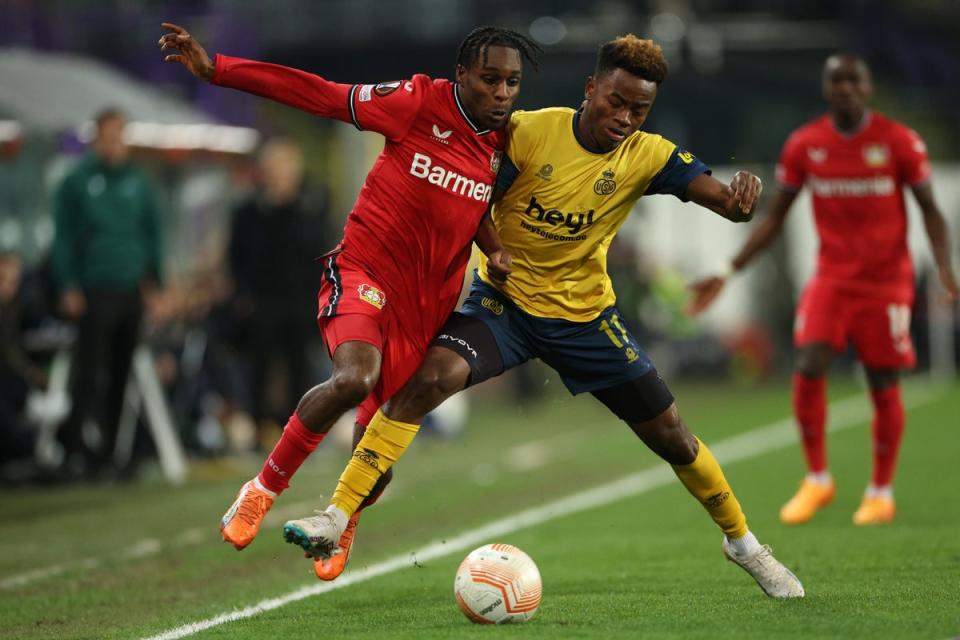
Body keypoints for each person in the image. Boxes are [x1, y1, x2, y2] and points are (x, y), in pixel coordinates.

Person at [291, 35, 805, 599]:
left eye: (639, 109)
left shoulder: (649, 155)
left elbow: (723, 200)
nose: (625, 118)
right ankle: (336, 519)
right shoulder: (530, 132)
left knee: (674, 438)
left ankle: (745, 547)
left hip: (585, 317)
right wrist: (493, 252)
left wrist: (740, 198)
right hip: (503, 305)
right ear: (591, 89)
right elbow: (474, 196)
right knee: (427, 382)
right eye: (616, 102)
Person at [158, 23, 541, 554]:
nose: (500, 93)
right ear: (462, 75)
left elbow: (470, 204)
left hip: (426, 306)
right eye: (489, 79)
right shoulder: (416, 102)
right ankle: (261, 489)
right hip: (366, 271)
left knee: (377, 448)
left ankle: (341, 523)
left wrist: (495, 248)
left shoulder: (504, 141)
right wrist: (218, 69)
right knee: (355, 378)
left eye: (511, 83)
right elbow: (320, 95)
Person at [687, 53, 958, 526]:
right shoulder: (806, 144)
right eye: (838, 81)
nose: (846, 89)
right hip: (831, 277)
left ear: (868, 86)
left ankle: (880, 490)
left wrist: (944, 271)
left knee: (881, 380)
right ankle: (817, 479)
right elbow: (775, 218)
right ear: (827, 88)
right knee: (809, 361)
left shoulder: (899, 142)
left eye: (855, 80)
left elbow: (931, 210)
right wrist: (728, 270)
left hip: (885, 281)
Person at [50, 108, 165, 479]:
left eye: (120, 136)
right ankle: (75, 450)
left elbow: (152, 235)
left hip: (130, 288)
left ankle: (111, 454)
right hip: (94, 288)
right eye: (108, 136)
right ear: (96, 139)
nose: (114, 144)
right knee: (88, 372)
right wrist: (67, 283)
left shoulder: (138, 182)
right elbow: (63, 237)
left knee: (121, 372)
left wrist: (156, 283)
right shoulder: (76, 181)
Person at [227, 138, 333, 446]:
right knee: (259, 367)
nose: (280, 174)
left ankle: (300, 434)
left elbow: (319, 249)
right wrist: (242, 295)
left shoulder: (313, 205)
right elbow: (239, 256)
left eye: (286, 167)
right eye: (274, 167)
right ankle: (260, 429)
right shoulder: (249, 210)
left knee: (302, 367)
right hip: (262, 301)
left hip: (302, 300)